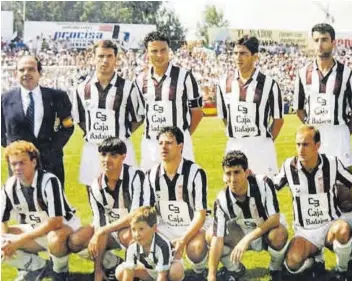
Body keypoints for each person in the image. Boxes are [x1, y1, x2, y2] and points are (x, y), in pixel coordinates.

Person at [293, 23, 352, 267]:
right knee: (315, 191)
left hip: (339, 136)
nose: (320, 44)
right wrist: (315, 131)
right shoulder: (303, 74)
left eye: (325, 39)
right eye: (317, 40)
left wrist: (342, 131)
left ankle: (349, 256)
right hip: (315, 140)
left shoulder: (347, 74)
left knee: (344, 196)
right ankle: (318, 252)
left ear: (333, 42)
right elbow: (299, 108)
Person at [273, 125, 352, 280]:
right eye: (298, 144)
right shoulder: (288, 166)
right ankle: (314, 261)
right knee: (292, 262)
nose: (300, 149)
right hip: (305, 232)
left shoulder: (331, 163)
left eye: (305, 144)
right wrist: (249, 180)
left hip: (329, 226)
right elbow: (271, 185)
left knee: (343, 230)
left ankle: (341, 270)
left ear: (317, 146)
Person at [67, 137, 153, 281]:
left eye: (113, 155)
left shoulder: (136, 176)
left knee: (130, 236)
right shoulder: (95, 185)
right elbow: (99, 223)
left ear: (123, 157)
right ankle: (112, 264)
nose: (107, 160)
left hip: (137, 228)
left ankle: (139, 272)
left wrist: (104, 230)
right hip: (111, 229)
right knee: (75, 240)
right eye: (103, 154)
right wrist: (97, 271)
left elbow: (137, 216)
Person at [1, 141, 80, 281]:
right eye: (14, 164)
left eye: (22, 162)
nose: (18, 168)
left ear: (34, 162)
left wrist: (18, 241)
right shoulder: (9, 186)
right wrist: (5, 242)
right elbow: (3, 222)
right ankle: (37, 266)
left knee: (55, 238)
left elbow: (56, 222)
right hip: (36, 230)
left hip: (66, 229)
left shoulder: (49, 181)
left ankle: (60, 271)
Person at [207, 150, 289, 281]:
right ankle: (235, 269)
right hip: (241, 232)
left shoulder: (263, 184)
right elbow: (218, 239)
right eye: (228, 173)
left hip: (266, 231)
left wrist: (247, 240)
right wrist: (211, 275)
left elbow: (274, 219)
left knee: (278, 234)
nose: (232, 179)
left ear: (246, 172)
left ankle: (276, 268)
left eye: (237, 172)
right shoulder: (221, 199)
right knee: (211, 234)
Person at [72, 40, 144, 187]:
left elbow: (138, 117)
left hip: (121, 148)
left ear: (116, 59)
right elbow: (80, 119)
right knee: (93, 192)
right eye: (100, 56)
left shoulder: (128, 88)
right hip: (93, 149)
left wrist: (121, 133)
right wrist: (96, 133)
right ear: (93, 58)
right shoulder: (81, 89)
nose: (105, 60)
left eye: (109, 56)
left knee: (125, 194)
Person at [145, 126, 209, 280]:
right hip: (165, 226)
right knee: (143, 243)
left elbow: (201, 213)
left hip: (192, 224)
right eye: (160, 143)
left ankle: (199, 272)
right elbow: (147, 211)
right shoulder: (150, 174)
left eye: (169, 143)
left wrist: (183, 240)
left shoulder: (195, 172)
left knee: (196, 249)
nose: (163, 147)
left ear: (180, 146)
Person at [1, 55, 74, 188]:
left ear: (39, 73)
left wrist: (53, 148)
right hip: (19, 164)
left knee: (53, 204)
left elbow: (68, 126)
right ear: (15, 73)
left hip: (51, 162)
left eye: (31, 69)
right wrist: (13, 149)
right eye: (22, 70)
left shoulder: (58, 96)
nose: (26, 73)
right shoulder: (4, 99)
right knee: (21, 205)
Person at [216, 36, 283, 176]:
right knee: (235, 192)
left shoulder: (269, 84)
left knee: (264, 193)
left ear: (255, 57)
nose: (238, 57)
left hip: (261, 147)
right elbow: (224, 117)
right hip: (235, 145)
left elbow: (278, 119)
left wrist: (264, 140)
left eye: (243, 54)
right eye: (235, 53)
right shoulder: (224, 84)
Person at [136, 31, 203, 171]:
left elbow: (197, 112)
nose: (159, 55)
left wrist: (182, 135)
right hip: (151, 146)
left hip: (179, 145)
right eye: (154, 51)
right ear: (146, 53)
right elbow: (139, 114)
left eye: (163, 50)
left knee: (182, 188)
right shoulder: (140, 80)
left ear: (169, 51)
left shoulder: (185, 77)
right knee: (150, 189)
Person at [115, 206, 184, 281]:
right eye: (133, 229)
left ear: (154, 228)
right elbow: (128, 274)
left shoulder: (162, 245)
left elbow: (162, 277)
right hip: (150, 270)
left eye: (141, 229)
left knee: (175, 272)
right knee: (121, 272)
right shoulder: (132, 247)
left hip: (167, 270)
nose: (137, 234)